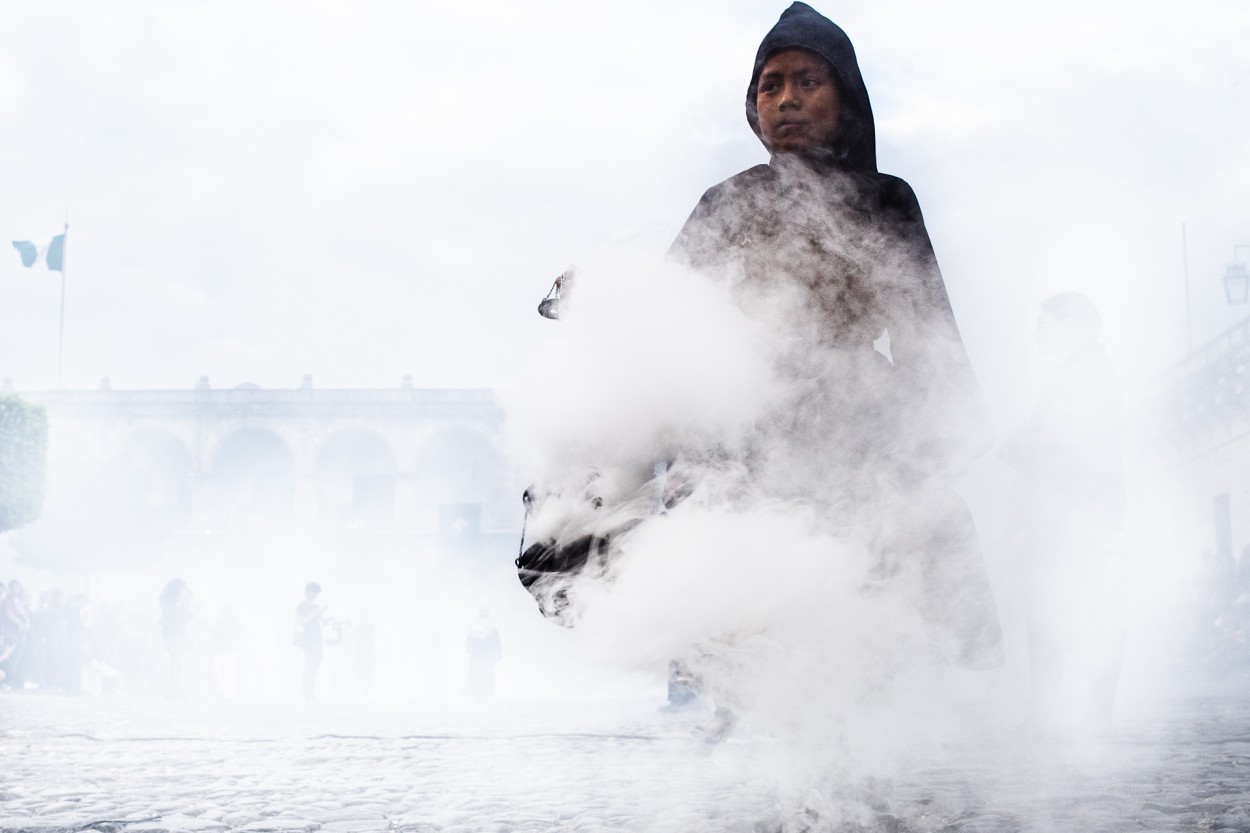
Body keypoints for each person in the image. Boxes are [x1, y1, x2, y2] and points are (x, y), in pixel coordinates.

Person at [667, 3, 1003, 671]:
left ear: (845, 99)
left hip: (860, 427)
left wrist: (939, 435)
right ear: (754, 104)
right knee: (756, 624)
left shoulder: (886, 200)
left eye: (808, 81)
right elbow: (666, 307)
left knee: (879, 606)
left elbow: (923, 327)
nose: (787, 99)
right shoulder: (726, 202)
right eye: (771, 85)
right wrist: (600, 297)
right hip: (753, 429)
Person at [1001, 292, 1126, 732]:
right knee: (1078, 611)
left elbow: (1059, 443)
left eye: (1045, 325)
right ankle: (1080, 713)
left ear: (1070, 326)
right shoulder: (1083, 373)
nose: (1037, 334)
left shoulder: (1082, 376)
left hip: (1071, 518)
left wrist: (1015, 447)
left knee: (1060, 611)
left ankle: (1058, 713)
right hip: (1080, 516)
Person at [158, 578, 192, 699]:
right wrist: (179, 606)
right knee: (177, 662)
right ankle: (175, 690)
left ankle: (175, 690)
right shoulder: (168, 602)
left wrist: (186, 605)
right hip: (171, 636)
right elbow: (167, 616)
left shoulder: (183, 603)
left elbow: (189, 618)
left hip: (180, 636)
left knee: (177, 663)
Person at [295, 581, 326, 701]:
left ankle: (310, 690)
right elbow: (301, 622)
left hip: (317, 638)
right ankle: (307, 692)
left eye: (316, 594)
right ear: (307, 592)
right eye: (314, 593)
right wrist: (316, 613)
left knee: (316, 663)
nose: (315, 596)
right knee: (309, 664)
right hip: (307, 639)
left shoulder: (316, 607)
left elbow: (323, 621)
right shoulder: (301, 606)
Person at [463, 606, 502, 698]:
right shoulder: (482, 624)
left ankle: (479, 692)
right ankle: (479, 692)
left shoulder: (477, 624)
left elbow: (469, 639)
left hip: (481, 654)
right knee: (482, 672)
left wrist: (469, 648)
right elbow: (496, 641)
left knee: (480, 672)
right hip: (483, 654)